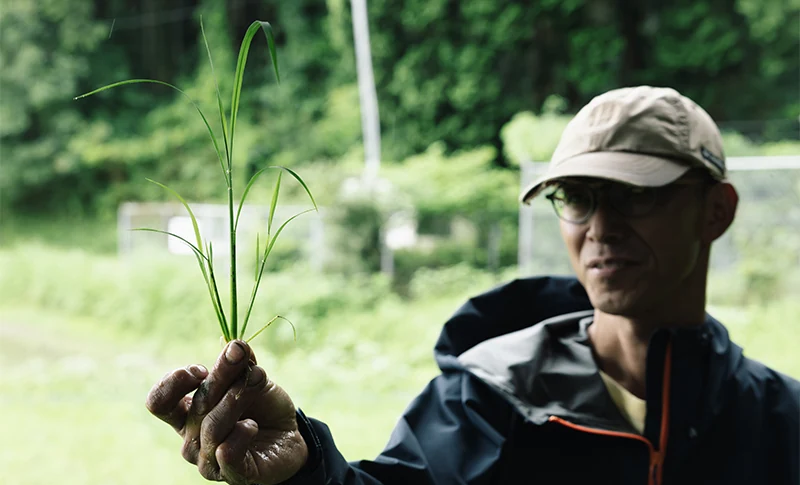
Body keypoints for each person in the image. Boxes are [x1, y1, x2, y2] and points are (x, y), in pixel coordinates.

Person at [146, 86, 800, 485]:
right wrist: (302, 470)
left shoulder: (781, 422)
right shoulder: (492, 392)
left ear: (716, 211)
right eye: (577, 197)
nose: (600, 228)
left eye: (634, 196)